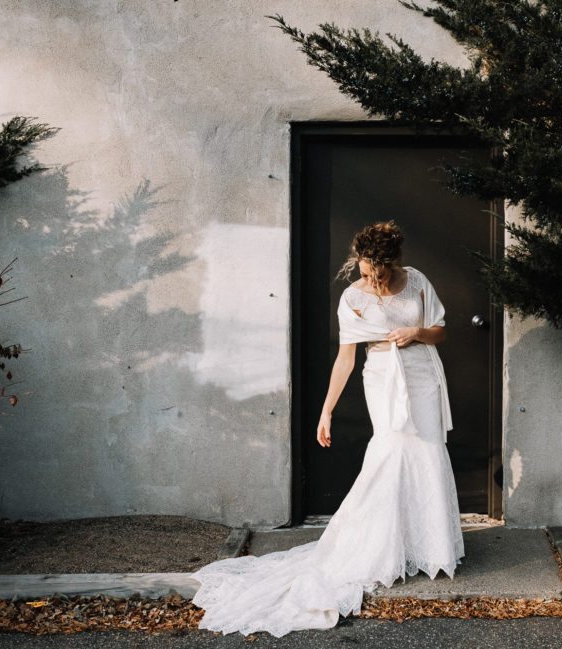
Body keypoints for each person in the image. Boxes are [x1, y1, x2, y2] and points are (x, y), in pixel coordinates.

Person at [189, 220, 464, 637]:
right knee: (390, 452)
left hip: (423, 375)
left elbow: (441, 332)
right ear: (360, 261)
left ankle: (428, 547)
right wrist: (326, 410)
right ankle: (378, 550)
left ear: (394, 261)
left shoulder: (418, 281)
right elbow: (345, 359)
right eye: (368, 268)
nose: (373, 277)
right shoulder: (352, 297)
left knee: (426, 451)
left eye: (380, 269)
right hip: (383, 379)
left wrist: (417, 332)